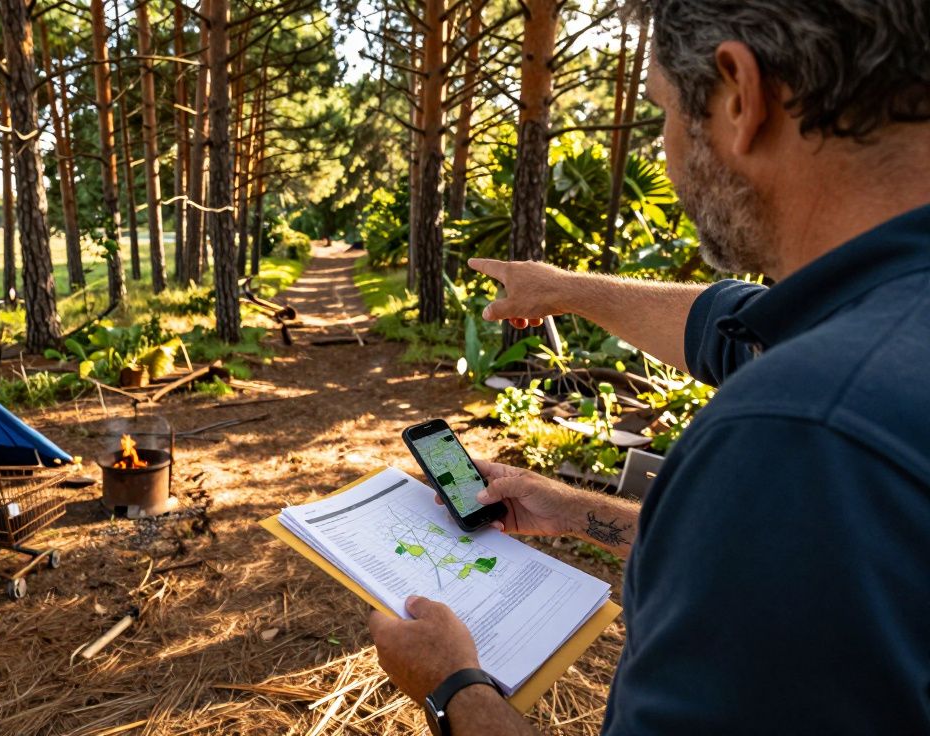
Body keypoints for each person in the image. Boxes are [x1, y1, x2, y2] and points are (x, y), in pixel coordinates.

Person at [367, 1, 930, 734]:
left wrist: (454, 688)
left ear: (739, 94)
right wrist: (577, 508)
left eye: (663, 108)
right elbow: (738, 329)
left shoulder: (799, 438)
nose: (663, 146)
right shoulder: (882, 326)